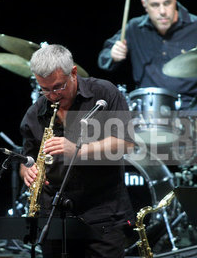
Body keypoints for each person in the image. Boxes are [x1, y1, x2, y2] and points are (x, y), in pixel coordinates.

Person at [20, 44, 134, 257]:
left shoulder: (104, 92)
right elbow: (27, 158)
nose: (52, 96)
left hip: (101, 214)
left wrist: (78, 151)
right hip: (54, 215)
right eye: (45, 89)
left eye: (58, 87)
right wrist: (27, 171)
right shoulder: (36, 112)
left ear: (73, 72)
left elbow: (126, 143)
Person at [98, 0, 197, 110]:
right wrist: (113, 55)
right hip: (149, 110)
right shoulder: (134, 28)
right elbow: (104, 58)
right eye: (155, 5)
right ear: (144, 4)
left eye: (167, 3)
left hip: (193, 107)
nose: (162, 11)